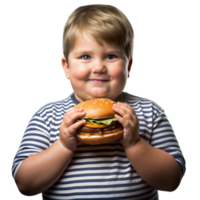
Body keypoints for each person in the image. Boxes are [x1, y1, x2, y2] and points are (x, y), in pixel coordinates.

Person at [9, 3, 187, 200]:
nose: (99, 67)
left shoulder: (149, 111)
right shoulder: (47, 116)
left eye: (111, 56)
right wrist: (63, 145)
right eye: (85, 56)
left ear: (129, 67)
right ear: (66, 67)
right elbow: (24, 183)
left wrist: (135, 143)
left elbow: (172, 180)